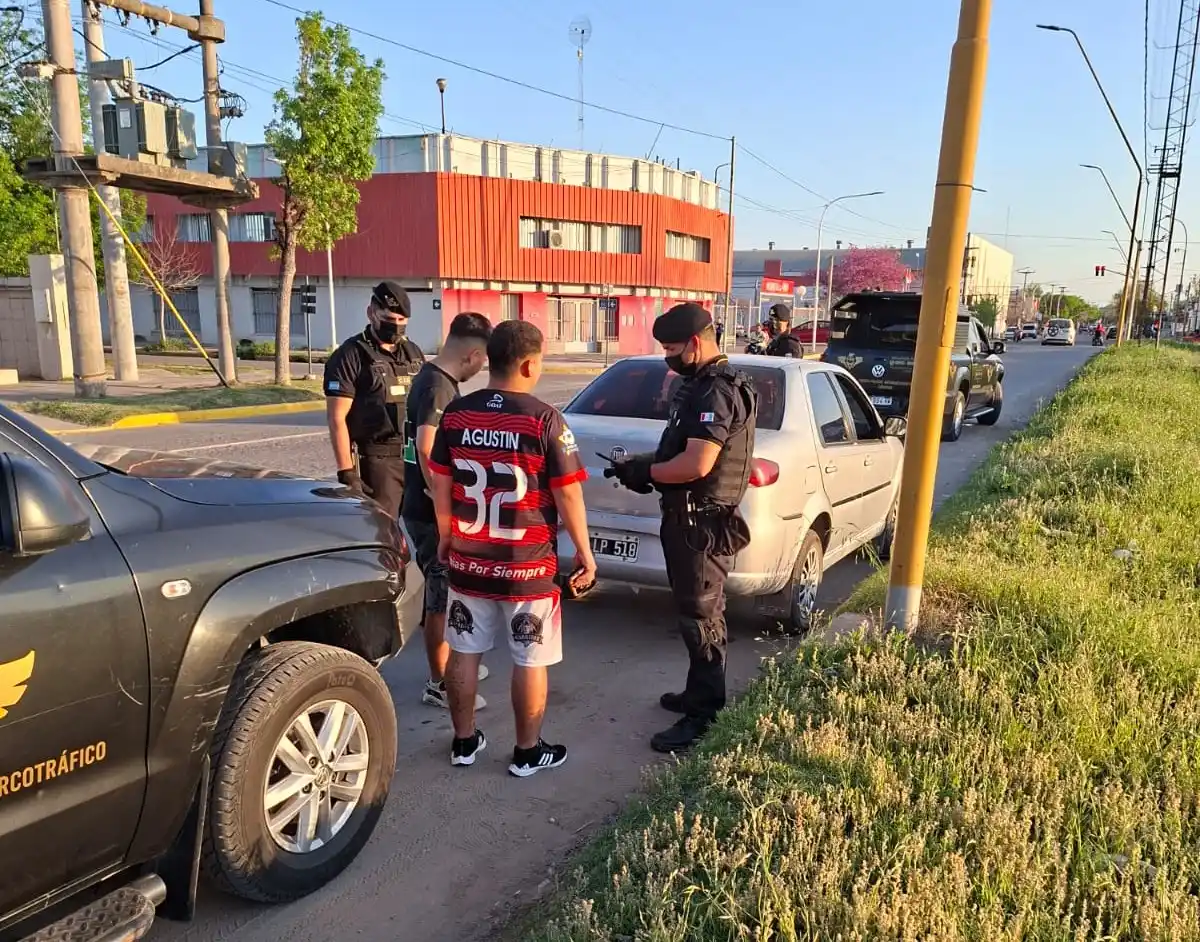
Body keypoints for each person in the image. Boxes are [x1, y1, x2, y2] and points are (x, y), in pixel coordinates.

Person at [429, 320, 596, 776]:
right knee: (530, 657)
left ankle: (463, 744)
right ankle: (526, 752)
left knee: (464, 651)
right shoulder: (545, 419)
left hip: (468, 558)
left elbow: (440, 481)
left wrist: (446, 534)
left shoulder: (457, 415)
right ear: (528, 363)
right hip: (527, 568)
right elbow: (568, 493)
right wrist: (585, 551)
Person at [606, 302, 758, 753]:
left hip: (702, 524)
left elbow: (697, 463)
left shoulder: (716, 391)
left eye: (673, 349)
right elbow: (678, 454)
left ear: (695, 343)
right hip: (689, 519)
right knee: (697, 613)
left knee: (701, 617)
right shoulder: (700, 384)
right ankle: (698, 692)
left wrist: (648, 473)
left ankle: (705, 715)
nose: (668, 358)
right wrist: (640, 467)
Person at [402, 312, 494, 713]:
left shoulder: (429, 377)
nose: (483, 368)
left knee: (446, 589)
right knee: (440, 594)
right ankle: (439, 682)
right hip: (428, 511)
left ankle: (453, 665)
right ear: (473, 354)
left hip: (422, 506)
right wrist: (439, 495)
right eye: (484, 361)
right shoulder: (440, 388)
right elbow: (426, 445)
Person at [323, 281, 425, 519]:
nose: (396, 327)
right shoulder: (350, 356)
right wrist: (346, 471)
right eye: (390, 319)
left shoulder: (413, 352)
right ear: (371, 313)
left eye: (402, 321)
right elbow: (336, 418)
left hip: (412, 457)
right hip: (376, 461)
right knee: (382, 530)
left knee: (421, 531)